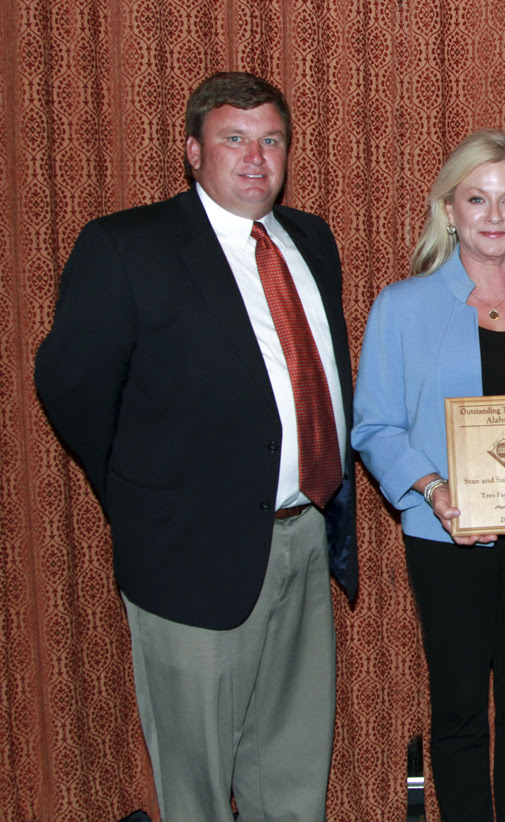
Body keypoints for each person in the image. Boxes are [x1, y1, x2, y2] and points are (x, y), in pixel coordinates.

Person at [35, 72, 358, 821]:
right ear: (192, 152)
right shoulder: (126, 246)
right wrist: (149, 495)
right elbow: (72, 385)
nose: (255, 158)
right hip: (187, 553)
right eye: (234, 140)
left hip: (303, 538)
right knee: (199, 786)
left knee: (292, 768)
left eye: (271, 140)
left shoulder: (310, 238)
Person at [352, 128, 505, 822]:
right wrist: (432, 490)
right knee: (458, 705)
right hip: (445, 537)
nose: (494, 215)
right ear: (449, 210)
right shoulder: (402, 306)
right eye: (477, 198)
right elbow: (374, 425)